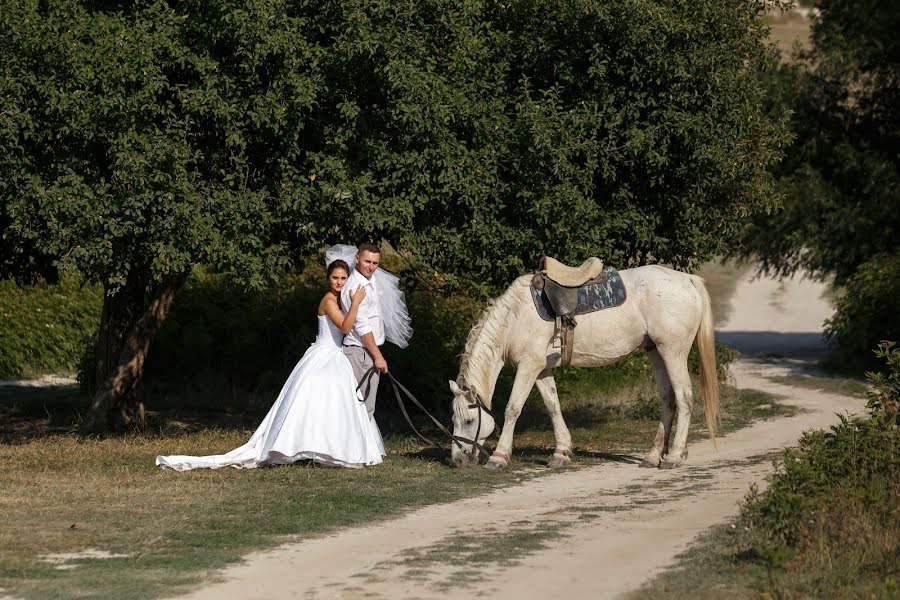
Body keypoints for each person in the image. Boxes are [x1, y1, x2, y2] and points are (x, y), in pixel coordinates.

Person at [155, 260, 385, 470]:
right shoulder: (328, 300)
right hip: (324, 354)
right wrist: (356, 302)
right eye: (335, 277)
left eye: (343, 278)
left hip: (338, 356)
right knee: (313, 399)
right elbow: (345, 327)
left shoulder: (342, 300)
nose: (339, 282)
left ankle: (332, 447)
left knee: (335, 403)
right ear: (328, 278)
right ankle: (300, 447)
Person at [340, 243, 389, 417]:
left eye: (375, 263)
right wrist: (378, 357)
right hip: (360, 352)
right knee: (359, 407)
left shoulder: (371, 280)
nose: (371, 267)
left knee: (368, 407)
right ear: (357, 259)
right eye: (367, 261)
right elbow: (362, 326)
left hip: (369, 350)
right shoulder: (355, 287)